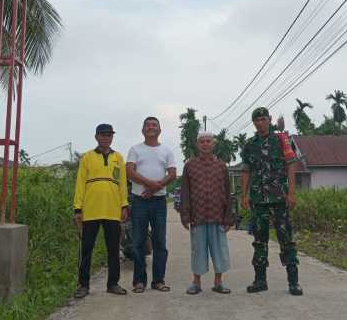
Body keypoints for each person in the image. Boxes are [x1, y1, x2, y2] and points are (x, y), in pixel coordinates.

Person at [241, 107, 303, 296]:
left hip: (280, 198)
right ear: (254, 123)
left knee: (286, 240)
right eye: (257, 120)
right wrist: (244, 196)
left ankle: (293, 282)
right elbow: (246, 171)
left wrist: (292, 193)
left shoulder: (281, 140)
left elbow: (292, 166)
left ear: (269, 120)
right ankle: (260, 281)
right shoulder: (250, 144)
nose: (260, 122)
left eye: (263, 119)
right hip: (259, 200)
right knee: (260, 241)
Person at [73, 123, 129, 298]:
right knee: (86, 249)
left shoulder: (118, 157)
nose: (106, 137)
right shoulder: (87, 157)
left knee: (113, 249)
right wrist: (77, 208)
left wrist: (124, 205)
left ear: (112, 137)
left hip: (113, 210)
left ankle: (113, 283)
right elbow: (80, 183)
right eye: (103, 135)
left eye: (109, 135)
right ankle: (83, 285)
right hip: (90, 210)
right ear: (96, 137)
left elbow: (122, 183)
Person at [126, 116, 177, 293]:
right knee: (138, 241)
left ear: (159, 130)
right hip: (139, 201)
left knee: (160, 242)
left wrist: (156, 188)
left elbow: (172, 173)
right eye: (147, 125)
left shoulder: (166, 151)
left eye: (154, 125)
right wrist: (150, 184)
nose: (151, 127)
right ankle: (139, 281)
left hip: (159, 202)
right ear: (142, 130)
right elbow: (129, 172)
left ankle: (158, 281)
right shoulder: (135, 150)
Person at [180, 132, 234, 295]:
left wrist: (228, 216)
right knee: (198, 250)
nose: (205, 144)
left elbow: (227, 191)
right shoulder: (189, 166)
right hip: (198, 216)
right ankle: (196, 282)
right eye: (202, 142)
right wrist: (185, 214)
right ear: (197, 145)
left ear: (213, 144)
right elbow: (185, 192)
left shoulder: (221, 166)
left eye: (208, 141)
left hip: (218, 216)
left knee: (219, 250)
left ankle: (218, 282)